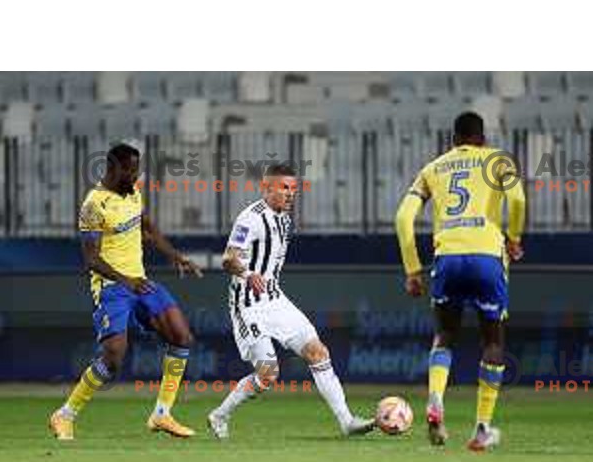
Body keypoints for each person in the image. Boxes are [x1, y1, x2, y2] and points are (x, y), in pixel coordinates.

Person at [49, 140, 202, 440]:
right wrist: (125, 280)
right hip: (111, 288)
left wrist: (175, 256)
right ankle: (64, 415)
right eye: (130, 171)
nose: (135, 176)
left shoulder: (133, 194)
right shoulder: (94, 205)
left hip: (139, 281)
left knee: (181, 336)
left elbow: (147, 228)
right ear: (113, 167)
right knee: (113, 358)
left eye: (137, 170)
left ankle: (162, 415)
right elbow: (91, 258)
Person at [207, 165, 374, 438]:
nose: (290, 194)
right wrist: (248, 273)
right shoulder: (250, 219)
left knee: (318, 352)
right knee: (268, 375)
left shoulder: (284, 219)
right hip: (248, 305)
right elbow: (228, 258)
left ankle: (347, 421)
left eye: (294, 189)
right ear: (267, 187)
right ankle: (219, 415)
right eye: (284, 187)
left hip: (275, 299)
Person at [396, 112, 526, 451]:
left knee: (445, 335)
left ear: (453, 139)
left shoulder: (434, 168)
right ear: (482, 138)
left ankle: (436, 400)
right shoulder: (498, 160)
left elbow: (403, 217)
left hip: (448, 257)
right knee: (492, 340)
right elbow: (518, 200)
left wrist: (412, 269)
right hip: (487, 256)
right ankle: (482, 428)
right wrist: (513, 237)